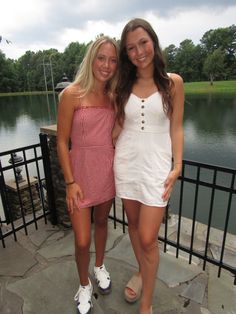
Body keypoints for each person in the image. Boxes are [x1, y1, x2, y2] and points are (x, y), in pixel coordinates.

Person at [113, 18, 184, 314]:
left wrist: (177, 165)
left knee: (147, 237)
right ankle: (142, 272)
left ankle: (146, 305)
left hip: (156, 169)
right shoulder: (122, 85)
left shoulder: (173, 83)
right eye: (130, 47)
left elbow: (177, 129)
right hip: (126, 164)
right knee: (132, 225)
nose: (138, 51)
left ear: (153, 41)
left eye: (143, 42)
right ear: (126, 54)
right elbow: (116, 126)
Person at [57, 36, 118, 314]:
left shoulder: (114, 96)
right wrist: (70, 182)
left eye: (113, 60)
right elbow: (61, 142)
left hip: (107, 170)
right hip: (79, 176)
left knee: (103, 221)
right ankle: (84, 285)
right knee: (82, 239)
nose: (107, 65)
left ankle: (99, 266)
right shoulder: (71, 94)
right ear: (91, 59)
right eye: (101, 58)